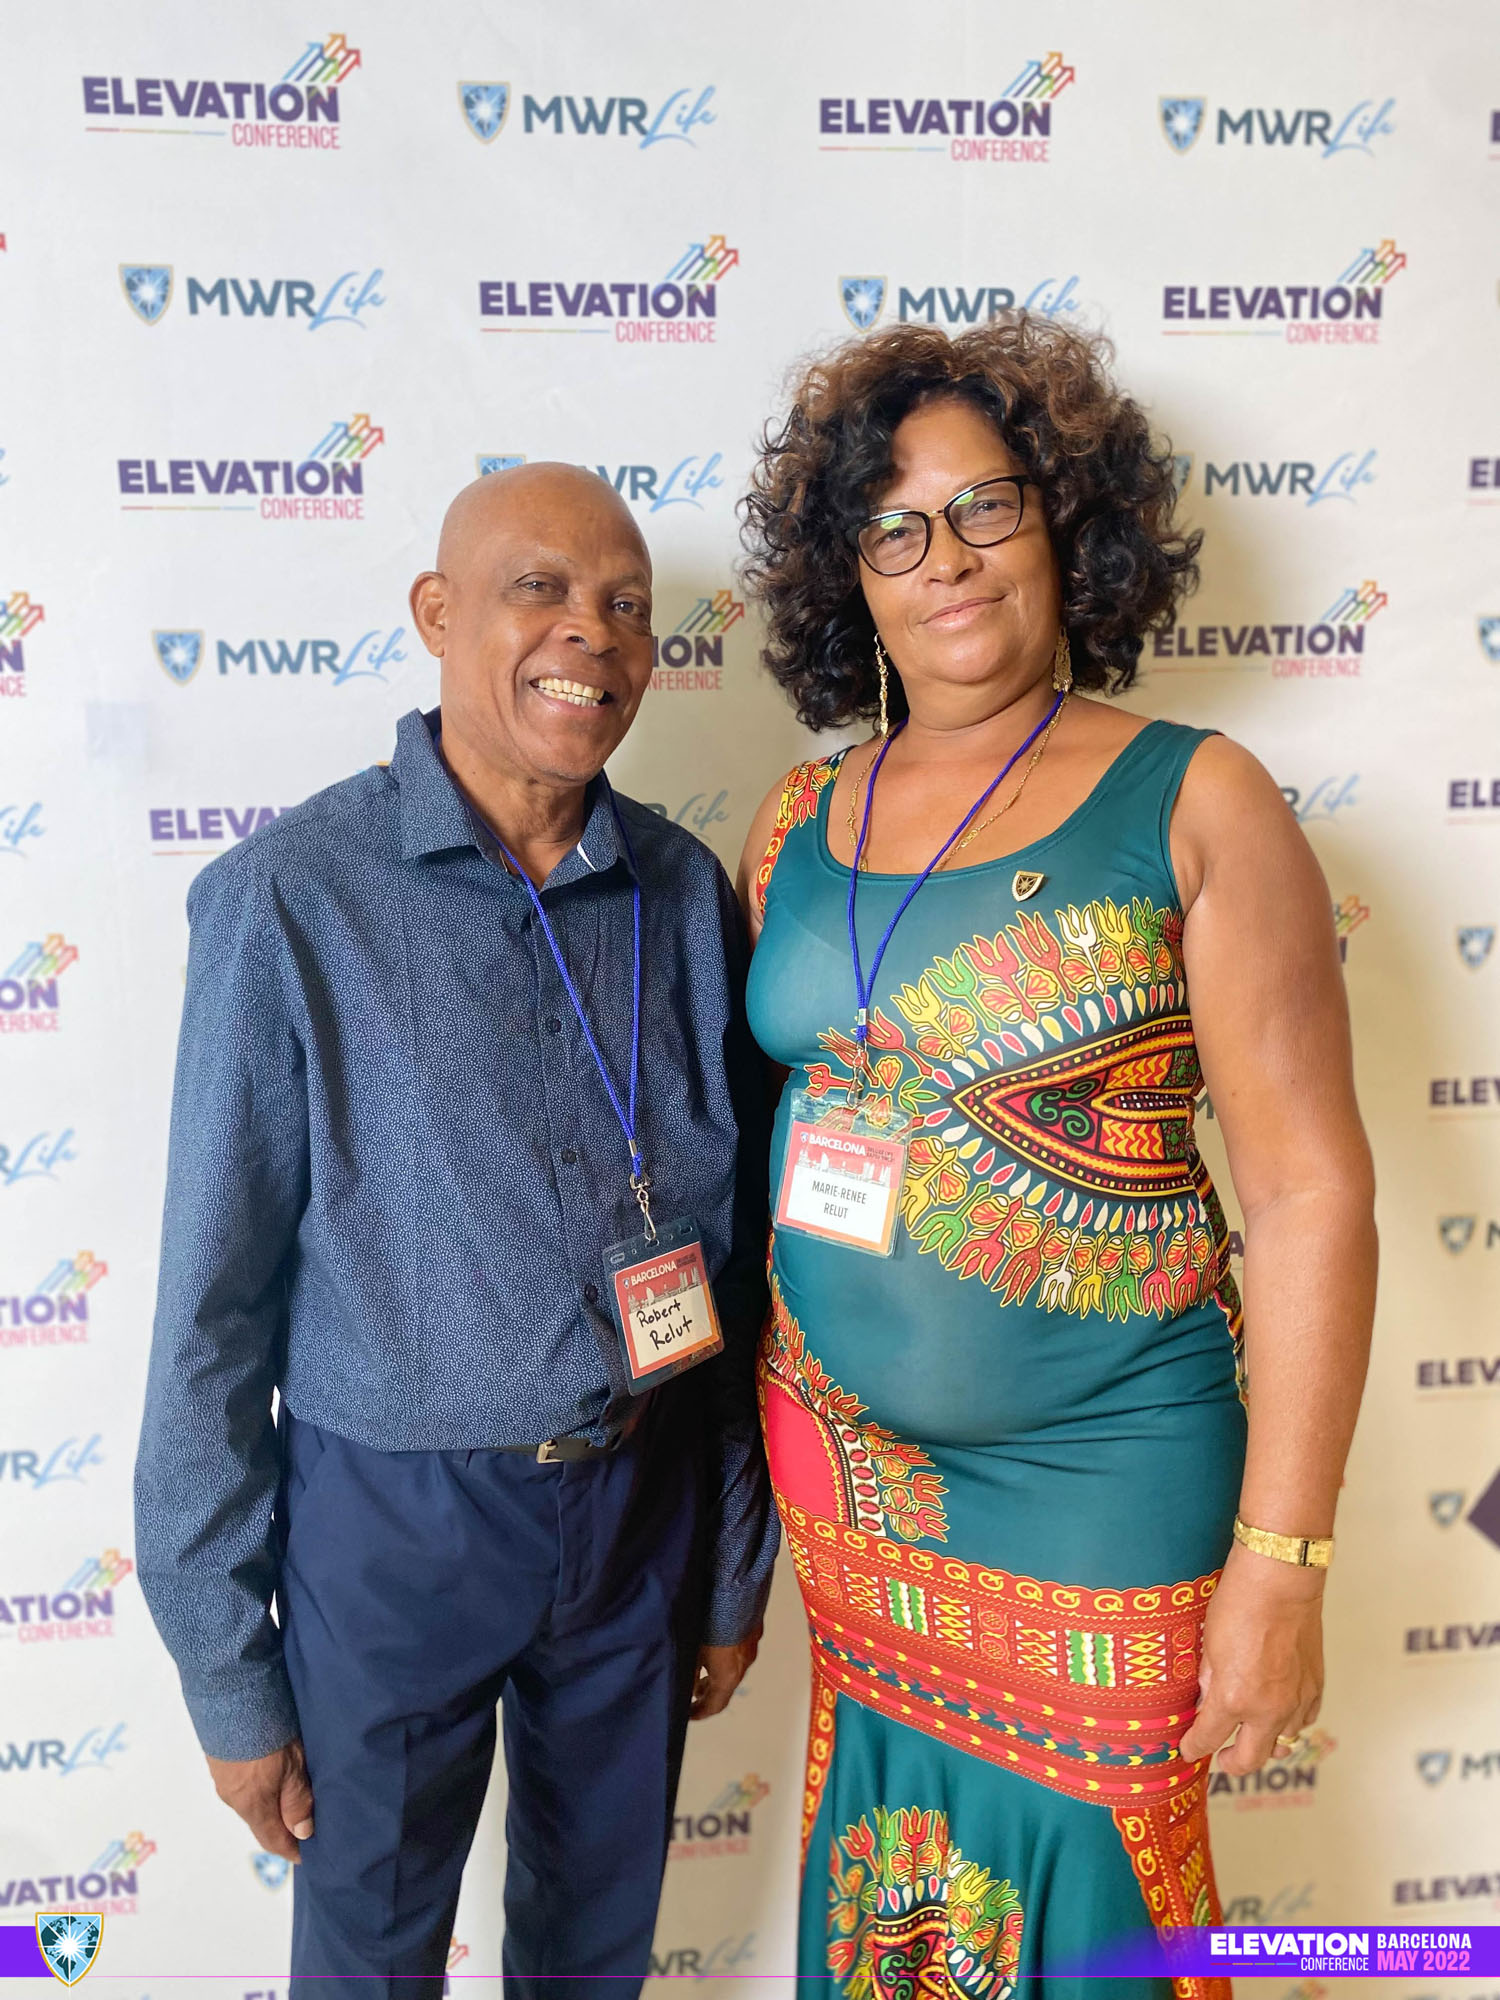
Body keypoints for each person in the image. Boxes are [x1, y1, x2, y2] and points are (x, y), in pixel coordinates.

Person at [736, 316, 1375, 1999]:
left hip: (1111, 1480)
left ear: (1067, 523)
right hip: (853, 1488)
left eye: (986, 507)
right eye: (893, 528)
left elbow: (1310, 1195)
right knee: (894, 1892)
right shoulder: (793, 821)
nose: (943, 559)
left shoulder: (1199, 799)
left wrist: (1284, 1563)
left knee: (1102, 1918)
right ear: (847, 574)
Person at [134, 464, 777, 1999]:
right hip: (391, 1527)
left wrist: (729, 1569)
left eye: (627, 607)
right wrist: (227, 1673)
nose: (592, 634)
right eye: (539, 589)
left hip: (639, 1507)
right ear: (437, 613)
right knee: (370, 1954)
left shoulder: (685, 895)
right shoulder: (291, 900)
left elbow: (734, 1267)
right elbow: (210, 1312)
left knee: (597, 1950)